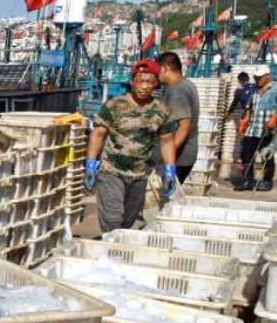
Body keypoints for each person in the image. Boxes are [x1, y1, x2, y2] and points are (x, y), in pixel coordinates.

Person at [83, 59, 179, 233]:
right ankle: (110, 247)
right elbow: (97, 135)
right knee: (113, 222)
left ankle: (116, 246)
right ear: (132, 81)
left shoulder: (162, 110)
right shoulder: (114, 105)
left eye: (149, 82)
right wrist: (90, 164)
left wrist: (170, 170)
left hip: (139, 175)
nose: (144, 86)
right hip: (111, 172)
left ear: (156, 84)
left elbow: (167, 141)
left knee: (127, 223)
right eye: (140, 81)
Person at [235, 69, 277, 192]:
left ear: (267, 76)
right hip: (252, 130)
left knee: (267, 157)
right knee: (246, 156)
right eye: (255, 77)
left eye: (260, 77)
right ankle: (247, 181)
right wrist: (244, 122)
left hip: (267, 131)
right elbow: (249, 108)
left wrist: (276, 117)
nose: (257, 80)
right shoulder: (253, 90)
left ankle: (267, 181)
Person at [155, 51, 200, 185]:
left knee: (167, 195)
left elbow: (184, 126)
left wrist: (167, 156)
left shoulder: (177, 90)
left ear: (164, 68)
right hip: (186, 154)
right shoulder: (187, 84)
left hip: (178, 158)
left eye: (157, 70)